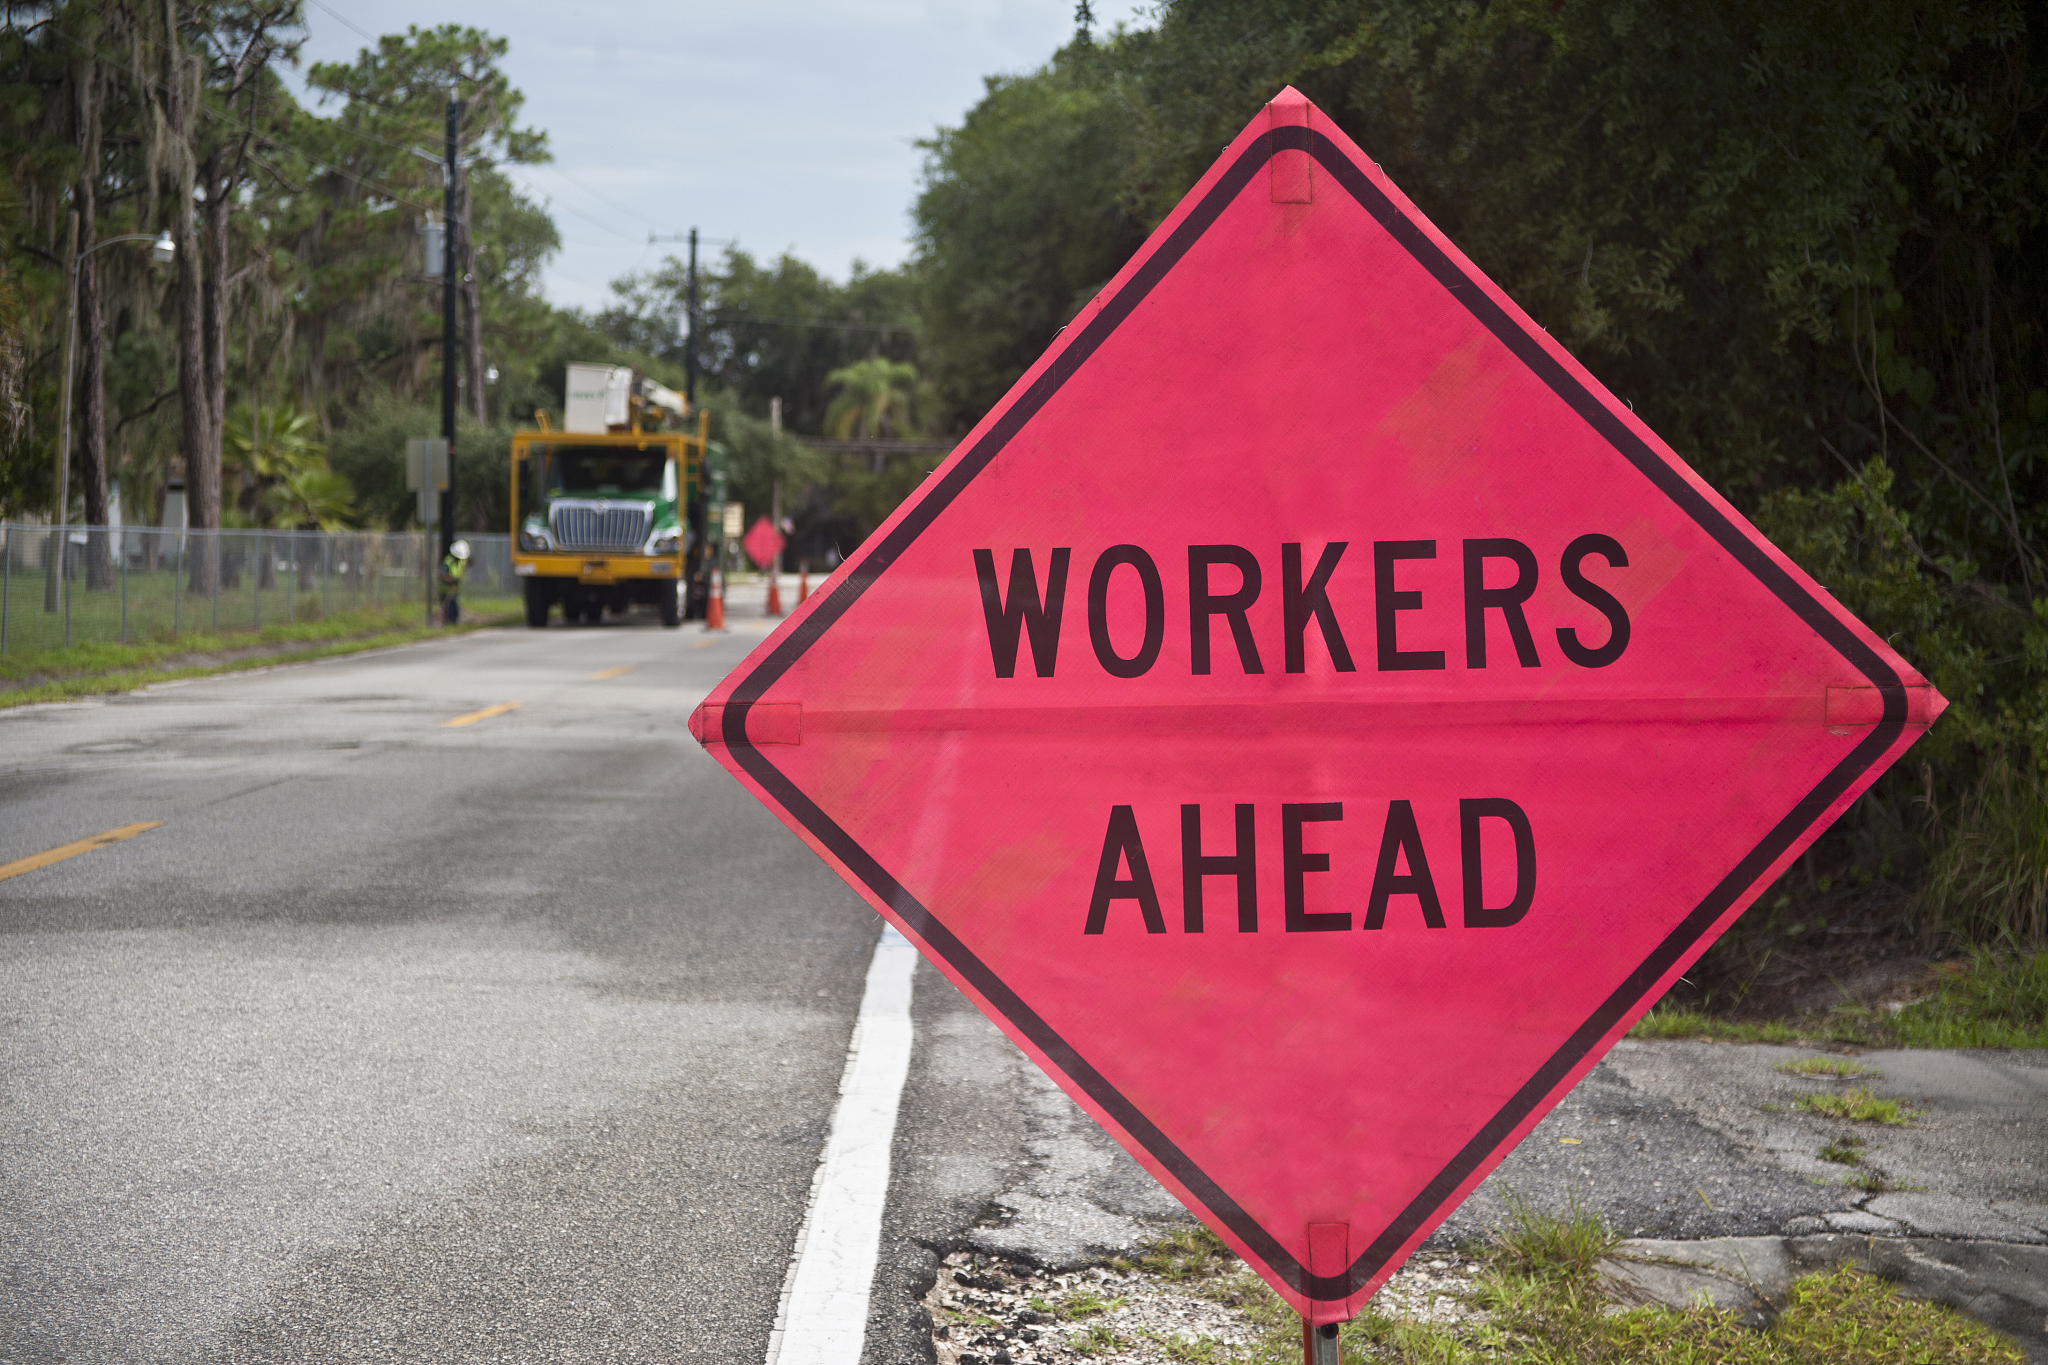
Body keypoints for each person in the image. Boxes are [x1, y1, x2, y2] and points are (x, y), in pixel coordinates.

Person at [440, 539, 470, 624]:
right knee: (448, 609)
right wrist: (451, 580)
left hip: (455, 590)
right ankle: (448, 624)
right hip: (446, 591)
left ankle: (453, 624)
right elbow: (441, 575)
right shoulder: (448, 562)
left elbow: (468, 562)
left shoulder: (461, 561)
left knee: (455, 610)